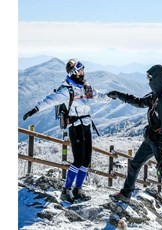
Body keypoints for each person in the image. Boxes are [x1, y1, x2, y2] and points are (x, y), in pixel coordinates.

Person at [107, 64, 162, 221]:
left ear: (158, 78)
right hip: (151, 139)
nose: (148, 80)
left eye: (150, 78)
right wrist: (118, 94)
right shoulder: (157, 95)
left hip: (159, 143)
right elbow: (138, 102)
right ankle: (126, 193)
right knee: (135, 164)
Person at [23, 58, 108, 203]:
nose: (82, 73)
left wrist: (111, 96)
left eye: (82, 70)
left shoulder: (85, 86)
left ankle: (78, 189)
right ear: (74, 72)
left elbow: (99, 97)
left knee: (86, 160)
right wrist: (34, 110)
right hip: (75, 126)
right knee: (78, 160)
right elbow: (50, 100)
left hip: (86, 124)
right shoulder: (66, 90)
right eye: (80, 70)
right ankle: (66, 190)